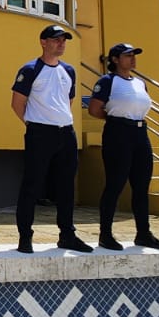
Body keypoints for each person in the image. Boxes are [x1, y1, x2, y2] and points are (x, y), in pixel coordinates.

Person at [11, 24, 93, 254]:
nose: (61, 43)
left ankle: (67, 235)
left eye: (64, 40)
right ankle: (25, 237)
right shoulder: (30, 69)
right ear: (43, 42)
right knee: (32, 185)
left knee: (66, 186)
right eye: (56, 40)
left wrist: (61, 122)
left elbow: (67, 100)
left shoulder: (69, 70)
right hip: (40, 133)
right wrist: (33, 124)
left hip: (66, 133)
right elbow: (17, 103)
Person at [88, 41, 159, 251]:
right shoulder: (108, 81)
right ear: (115, 60)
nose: (132, 59)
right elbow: (95, 109)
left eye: (134, 54)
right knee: (115, 184)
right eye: (127, 55)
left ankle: (143, 233)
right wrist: (117, 120)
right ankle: (105, 234)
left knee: (141, 186)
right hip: (118, 133)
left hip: (140, 132)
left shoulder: (140, 83)